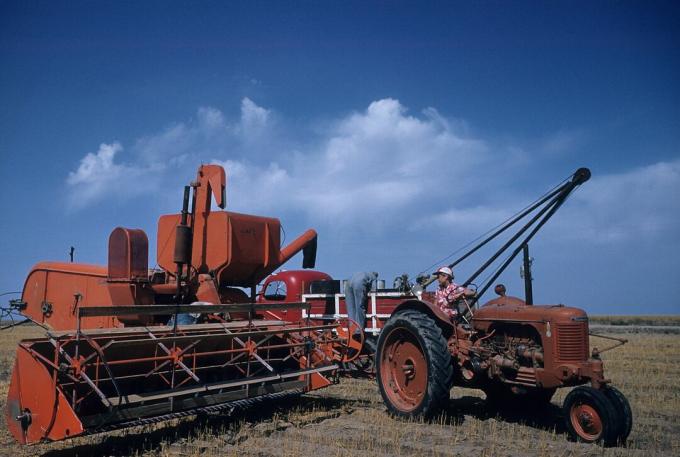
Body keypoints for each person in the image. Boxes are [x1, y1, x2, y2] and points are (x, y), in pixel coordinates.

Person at [345, 271, 378, 338]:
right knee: (360, 306)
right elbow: (374, 290)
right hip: (359, 283)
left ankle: (352, 329)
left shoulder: (363, 273)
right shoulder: (373, 277)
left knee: (350, 308)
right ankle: (358, 331)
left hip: (348, 283)